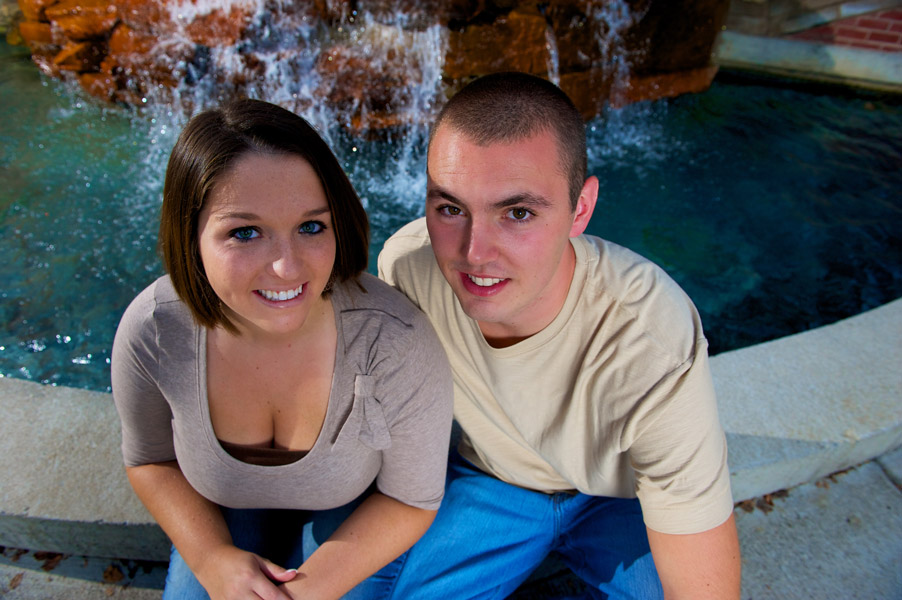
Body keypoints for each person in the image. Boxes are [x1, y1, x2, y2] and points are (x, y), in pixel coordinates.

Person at [373, 72, 741, 599]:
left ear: (580, 209)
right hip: (490, 481)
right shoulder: (408, 269)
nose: (474, 252)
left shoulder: (648, 336)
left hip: (620, 498)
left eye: (518, 213)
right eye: (450, 208)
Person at [111, 98, 453, 600]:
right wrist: (210, 558)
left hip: (352, 514)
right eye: (245, 233)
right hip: (223, 512)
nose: (287, 268)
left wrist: (301, 594)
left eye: (311, 227)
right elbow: (150, 460)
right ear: (190, 236)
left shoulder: (394, 340)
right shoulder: (155, 330)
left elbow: (411, 499)